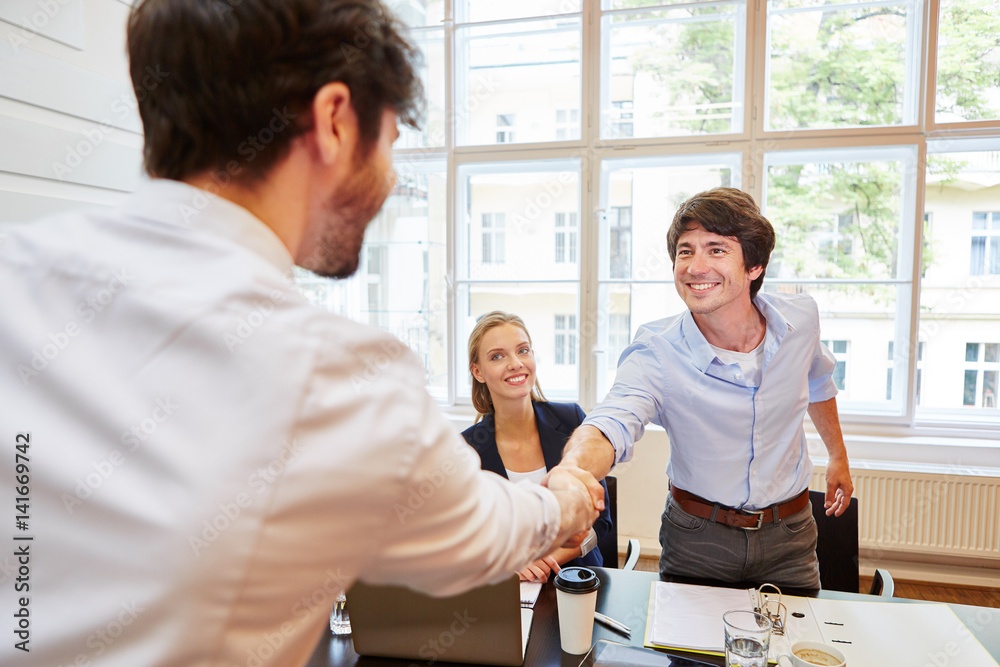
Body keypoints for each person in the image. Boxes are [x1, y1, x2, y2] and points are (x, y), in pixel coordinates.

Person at [0, 1, 601, 665]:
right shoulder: (337, 374)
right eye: (392, 143)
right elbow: (485, 532)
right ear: (335, 121)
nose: (391, 178)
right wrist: (567, 498)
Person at [553, 187, 853, 588]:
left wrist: (838, 455)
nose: (695, 266)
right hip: (698, 539)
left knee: (788, 649)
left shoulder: (801, 320)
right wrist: (572, 472)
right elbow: (612, 420)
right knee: (691, 652)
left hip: (791, 535)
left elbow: (817, 379)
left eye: (716, 249)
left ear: (754, 267)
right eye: (685, 250)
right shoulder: (657, 351)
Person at [461, 312, 613, 582]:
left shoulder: (573, 422)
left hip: (578, 581)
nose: (516, 364)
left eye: (523, 350)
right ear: (478, 371)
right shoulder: (465, 450)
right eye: (497, 356)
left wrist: (545, 558)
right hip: (507, 586)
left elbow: (600, 523)